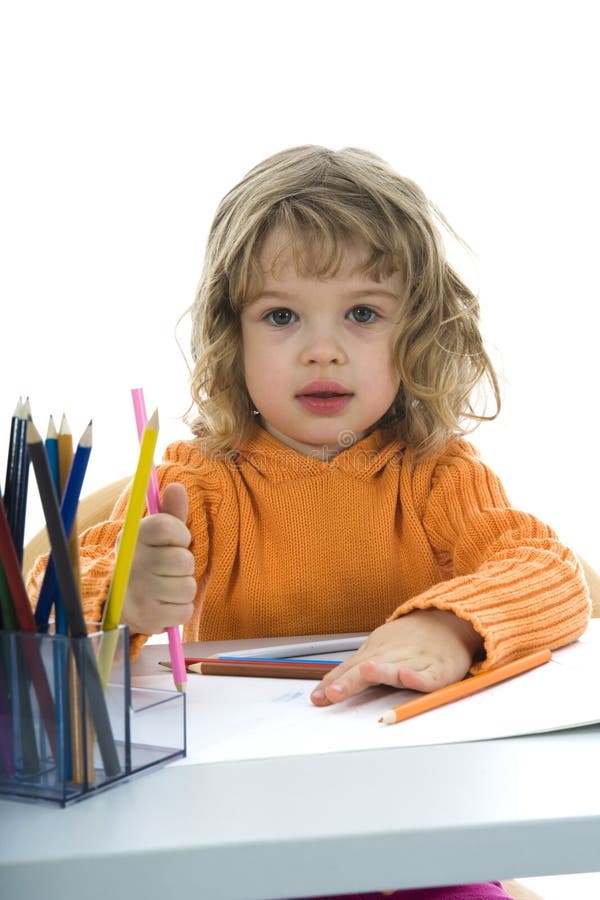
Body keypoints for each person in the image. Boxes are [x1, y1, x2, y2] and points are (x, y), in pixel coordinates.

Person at [28, 145, 589, 900]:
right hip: (232, 838)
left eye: (363, 313)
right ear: (234, 340)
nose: (321, 349)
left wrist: (450, 625)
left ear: (416, 332)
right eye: (281, 315)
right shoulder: (201, 482)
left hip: (415, 829)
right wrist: (119, 593)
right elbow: (42, 593)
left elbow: (553, 574)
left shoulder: (438, 473)